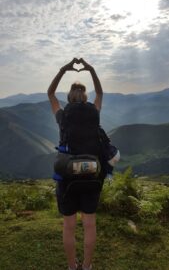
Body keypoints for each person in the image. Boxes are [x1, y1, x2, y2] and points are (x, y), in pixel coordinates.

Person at [47, 58, 106, 270]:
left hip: (67, 177)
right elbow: (100, 94)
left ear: (70, 97)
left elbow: (50, 93)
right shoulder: (94, 113)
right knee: (89, 224)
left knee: (69, 226)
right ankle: (87, 266)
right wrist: (91, 70)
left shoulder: (63, 115)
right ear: (85, 97)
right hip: (91, 175)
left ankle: (73, 267)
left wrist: (64, 68)